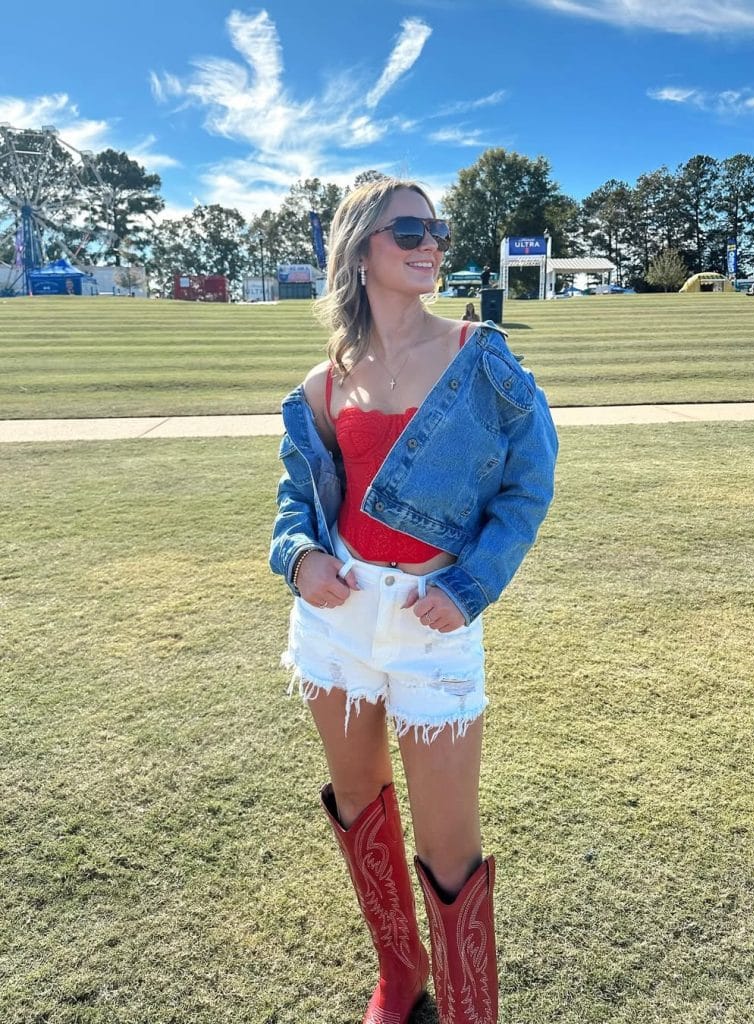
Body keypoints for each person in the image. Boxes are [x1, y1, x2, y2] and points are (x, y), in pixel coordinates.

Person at [269, 177, 558, 1024]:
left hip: (434, 626)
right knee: (358, 806)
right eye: (409, 229)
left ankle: (470, 1013)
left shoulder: (481, 357)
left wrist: (468, 586)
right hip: (334, 628)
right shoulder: (325, 383)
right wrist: (301, 559)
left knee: (448, 846)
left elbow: (527, 487)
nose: (430, 242)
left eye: (436, 228)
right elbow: (297, 502)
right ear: (362, 246)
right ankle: (400, 981)